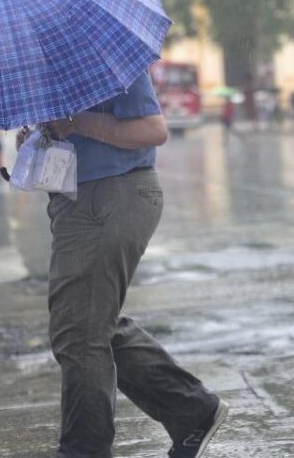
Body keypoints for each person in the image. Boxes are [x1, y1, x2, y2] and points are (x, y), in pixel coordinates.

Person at [25, 71, 227, 458]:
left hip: (112, 196)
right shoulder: (48, 64)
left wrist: (77, 123)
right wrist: (40, 136)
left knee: (80, 335)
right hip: (79, 201)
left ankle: (85, 451)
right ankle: (192, 411)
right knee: (89, 325)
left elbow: (153, 129)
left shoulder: (106, 56)